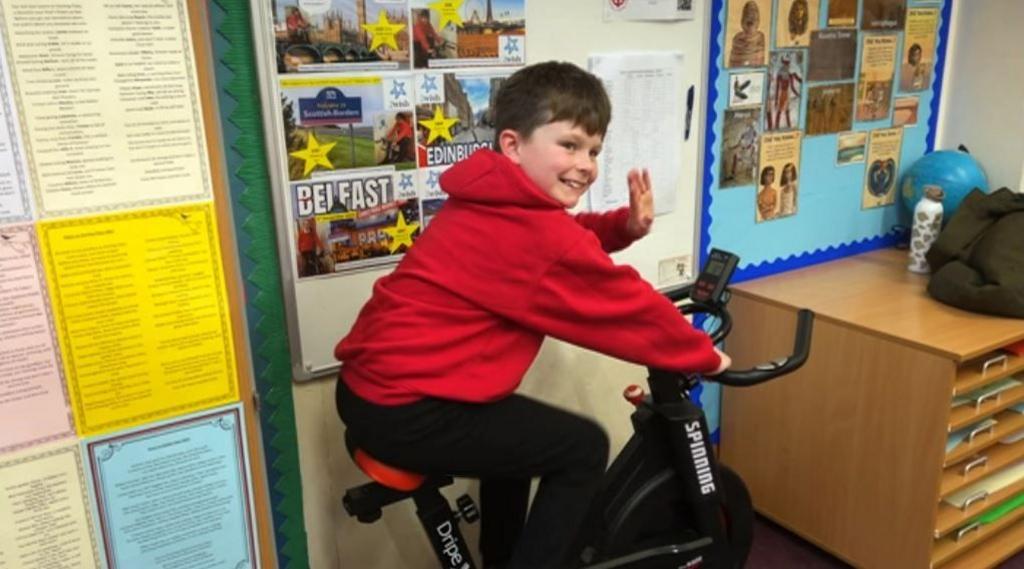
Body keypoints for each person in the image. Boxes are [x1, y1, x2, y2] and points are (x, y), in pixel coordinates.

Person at [334, 61, 730, 569]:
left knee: (521, 437)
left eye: (593, 151)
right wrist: (702, 353)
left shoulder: (489, 198)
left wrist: (622, 227)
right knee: (583, 447)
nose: (585, 164)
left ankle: (504, 557)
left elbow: (557, 247)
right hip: (406, 407)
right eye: (569, 145)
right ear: (512, 144)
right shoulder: (530, 229)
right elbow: (621, 302)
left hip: (372, 390)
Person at [728, 1, 766, 67]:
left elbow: (759, 61)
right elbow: (733, 63)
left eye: (754, 15)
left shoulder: (760, 37)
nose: (751, 16)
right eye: (748, 15)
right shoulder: (737, 39)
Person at [770, 54, 803, 129]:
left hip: (786, 93)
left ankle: (788, 127)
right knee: (780, 110)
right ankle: (777, 127)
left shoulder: (790, 74)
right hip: (782, 93)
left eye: (787, 63)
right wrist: (776, 100)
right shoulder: (781, 73)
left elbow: (792, 86)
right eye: (785, 63)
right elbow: (778, 87)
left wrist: (798, 94)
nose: (786, 66)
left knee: (786, 111)